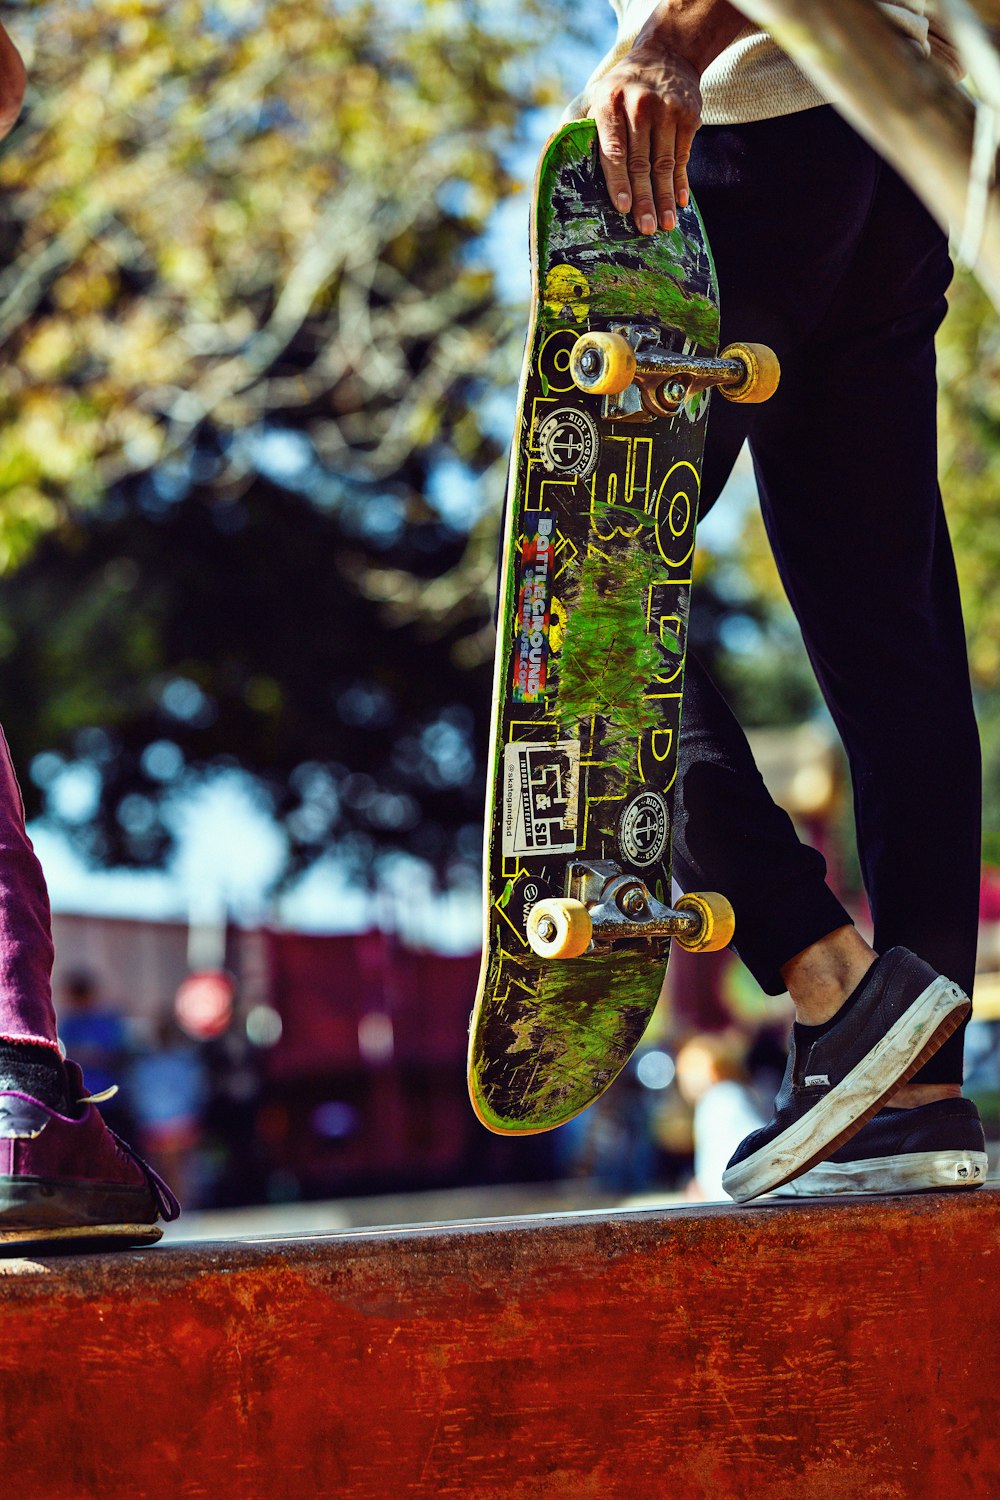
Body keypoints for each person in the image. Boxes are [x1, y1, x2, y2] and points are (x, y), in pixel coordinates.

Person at [562, 0, 991, 1201]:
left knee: (578, 577)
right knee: (888, 631)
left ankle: (825, 971)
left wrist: (674, 38)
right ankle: (910, 1093)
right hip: (901, 155)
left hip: (742, 135)